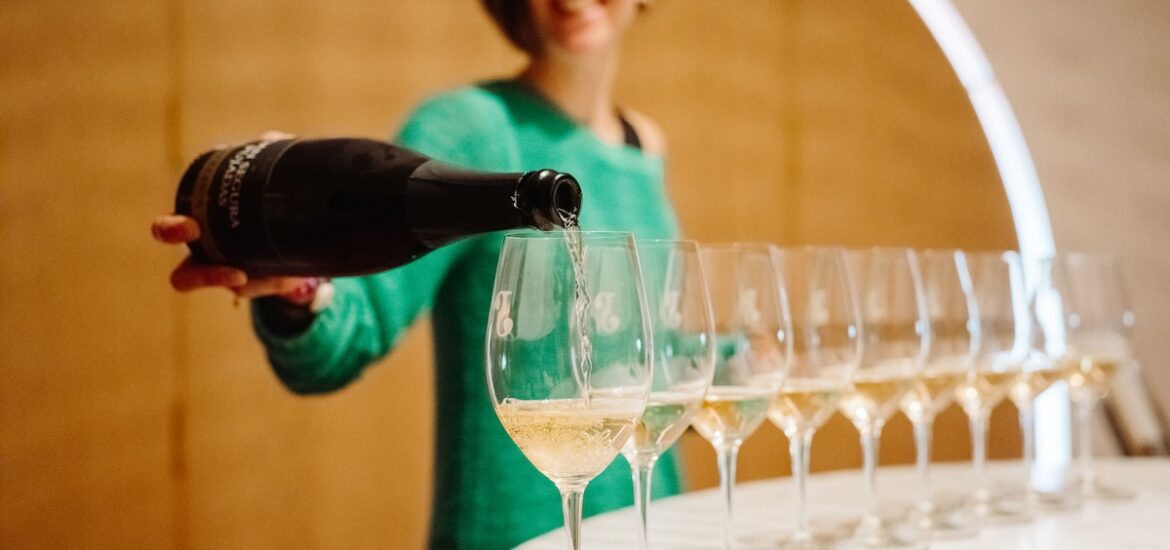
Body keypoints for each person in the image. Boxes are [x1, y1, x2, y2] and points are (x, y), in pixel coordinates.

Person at [152, 0, 681, 547]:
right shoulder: (471, 128)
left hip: (645, 526)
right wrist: (300, 288)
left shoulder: (643, 144)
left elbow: (652, 351)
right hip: (510, 533)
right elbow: (351, 330)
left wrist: (746, 354)